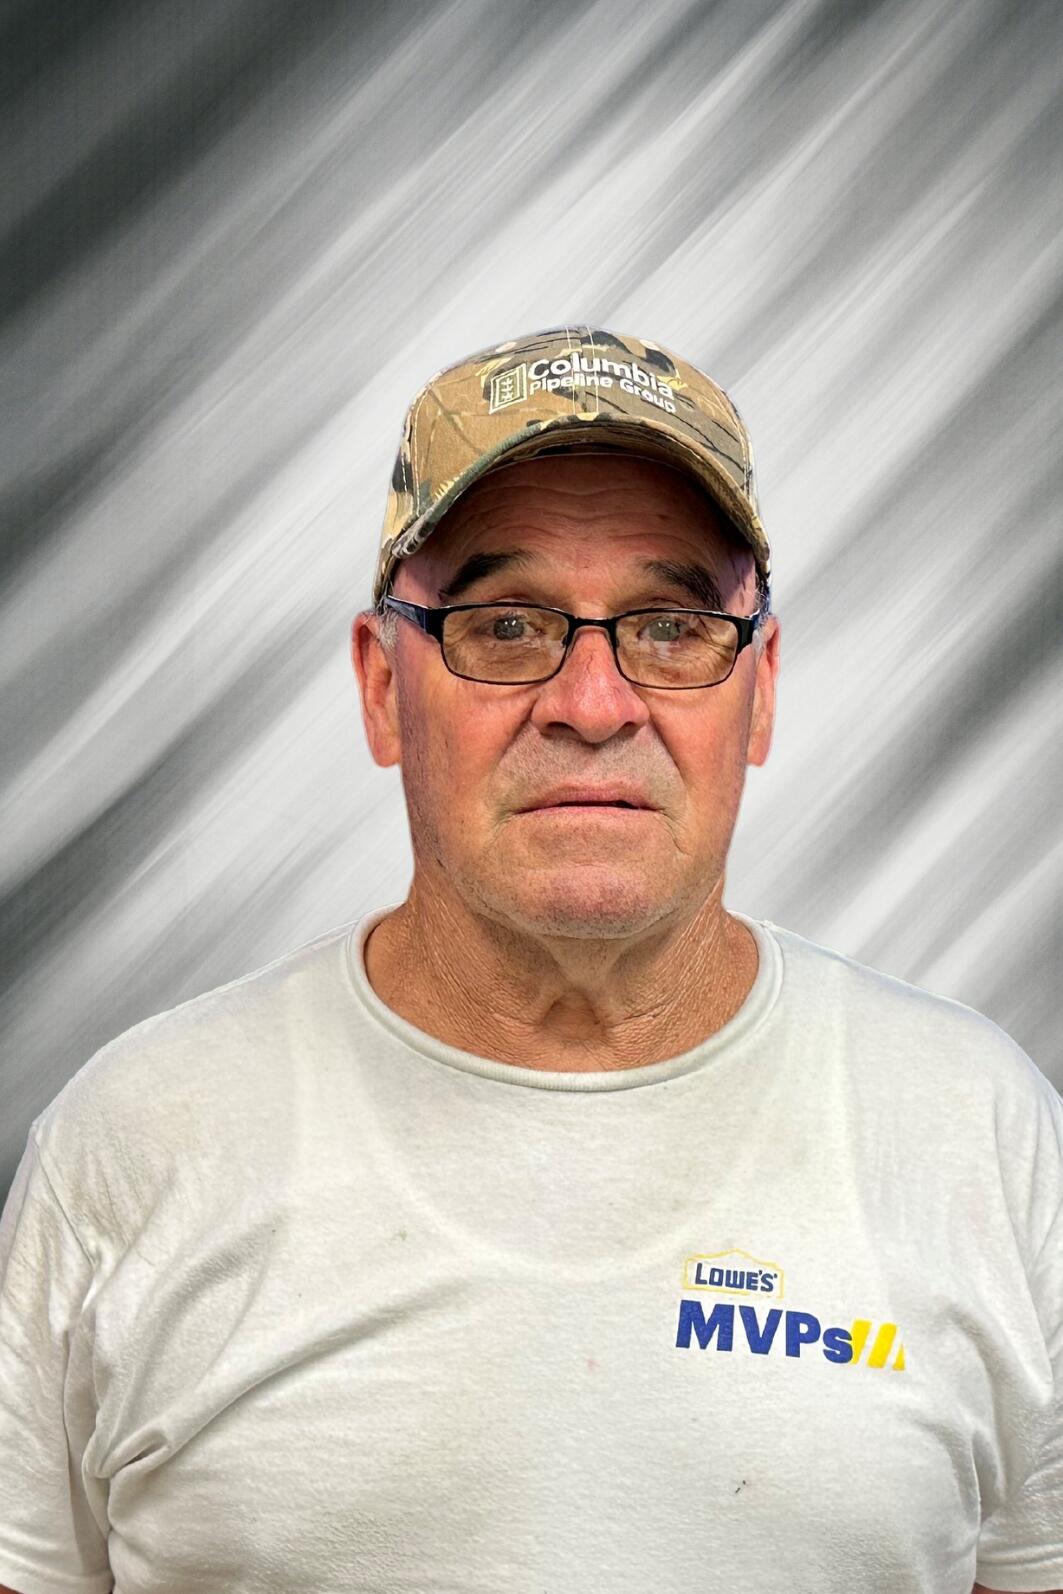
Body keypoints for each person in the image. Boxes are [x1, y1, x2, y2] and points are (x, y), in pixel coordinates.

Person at [0, 326, 1059, 1594]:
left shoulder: (973, 1133)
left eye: (670, 625)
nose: (594, 704)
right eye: (505, 625)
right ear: (381, 686)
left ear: (762, 687)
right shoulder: (135, 1147)